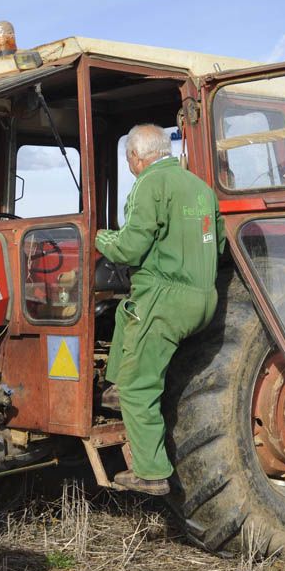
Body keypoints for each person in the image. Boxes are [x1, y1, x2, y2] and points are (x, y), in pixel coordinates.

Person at [96, 124, 225, 495]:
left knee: (140, 387)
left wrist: (99, 237)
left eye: (129, 159)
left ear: (137, 157)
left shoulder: (149, 185)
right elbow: (215, 245)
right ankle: (115, 385)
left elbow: (130, 249)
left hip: (165, 300)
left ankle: (151, 471)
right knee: (125, 313)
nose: (130, 165)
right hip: (203, 297)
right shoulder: (200, 188)